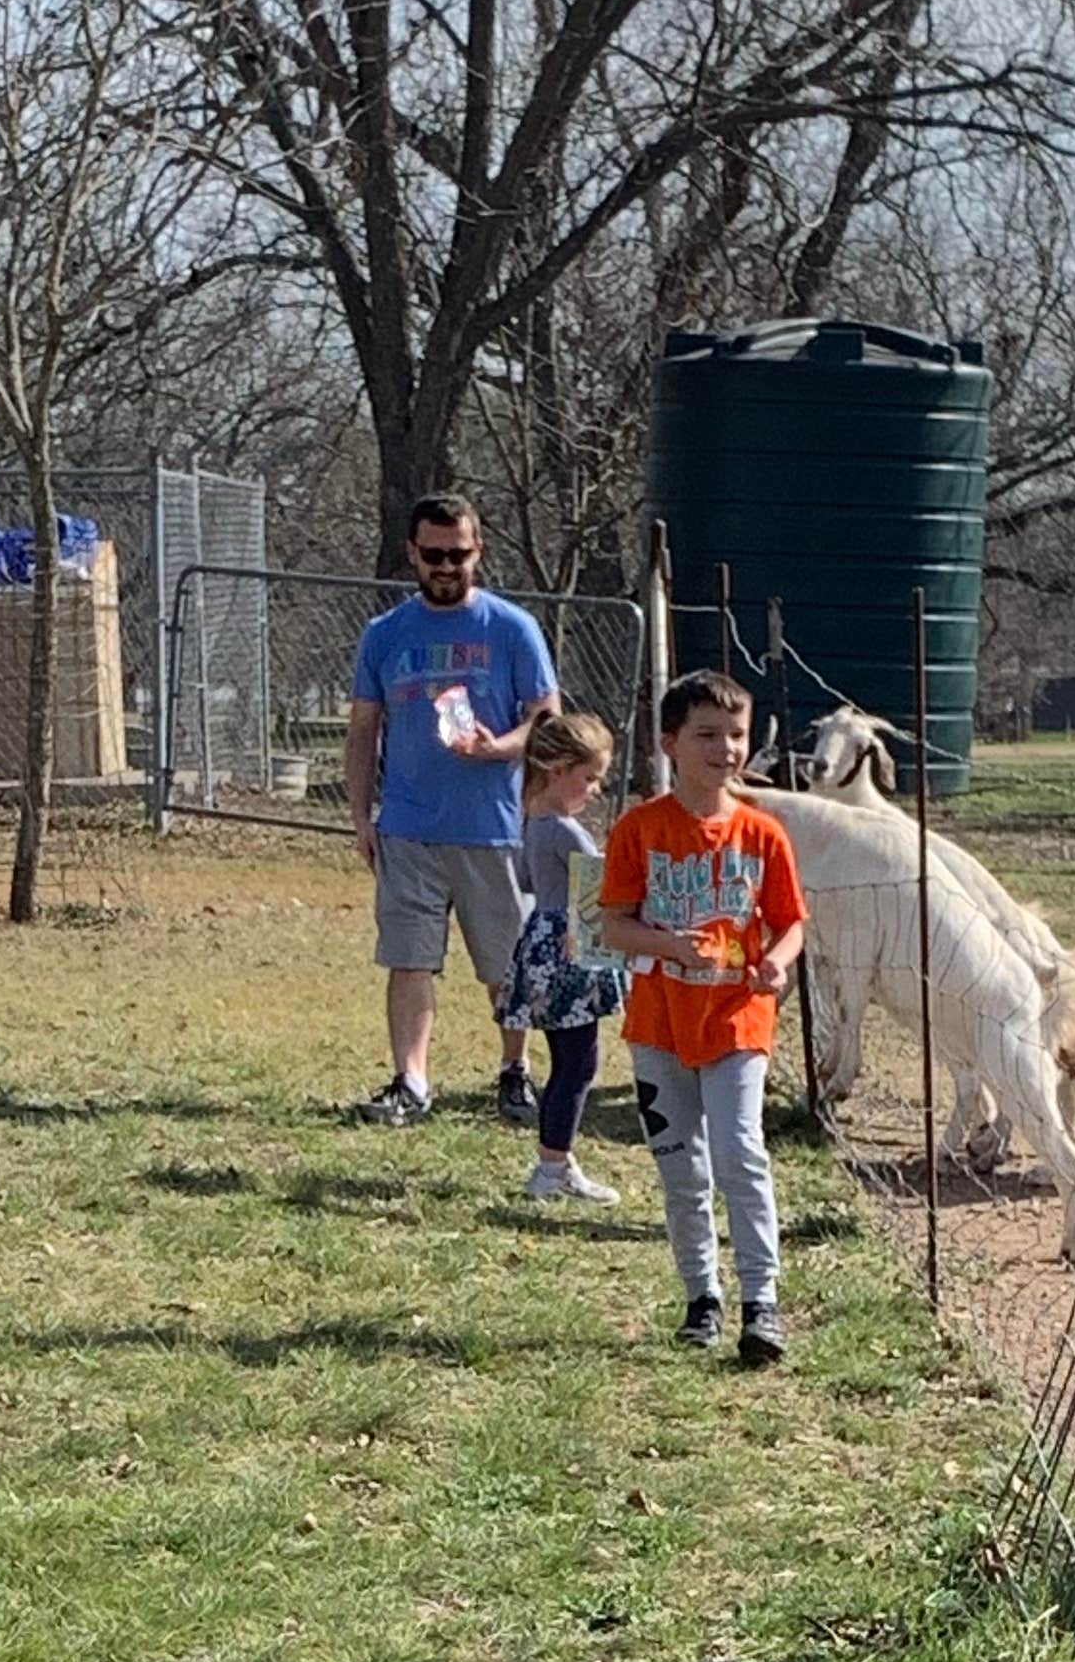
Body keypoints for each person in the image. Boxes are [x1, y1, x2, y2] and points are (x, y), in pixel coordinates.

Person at [595, 667, 804, 1368]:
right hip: (659, 1021)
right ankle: (701, 1297)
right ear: (670, 744)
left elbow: (790, 923)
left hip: (738, 1018)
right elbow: (613, 926)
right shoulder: (640, 829)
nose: (726, 750)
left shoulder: (763, 834)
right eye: (707, 735)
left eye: (737, 735)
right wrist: (666, 945)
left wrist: (778, 960)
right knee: (680, 1163)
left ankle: (762, 1302)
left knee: (739, 1152)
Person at [344, 493, 558, 1126]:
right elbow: (363, 730)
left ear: (478, 551)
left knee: (505, 964)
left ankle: (514, 1071)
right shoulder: (385, 635)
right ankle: (411, 1080)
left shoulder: (511, 629)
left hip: (492, 827)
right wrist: (362, 815)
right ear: (412, 553)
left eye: (458, 555)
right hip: (408, 826)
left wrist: (501, 748)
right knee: (410, 957)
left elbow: (546, 721)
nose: (446, 566)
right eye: (433, 555)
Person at [502, 705, 624, 1204]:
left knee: (565, 1060)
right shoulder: (567, 831)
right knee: (579, 1064)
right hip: (571, 951)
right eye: (590, 778)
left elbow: (528, 880)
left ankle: (558, 1158)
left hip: (542, 947)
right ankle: (552, 1167)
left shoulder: (532, 822)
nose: (594, 790)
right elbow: (599, 889)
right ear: (558, 772)